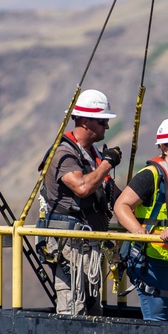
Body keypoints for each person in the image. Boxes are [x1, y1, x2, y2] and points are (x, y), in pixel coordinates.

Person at [38, 89, 122, 316]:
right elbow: (82, 187)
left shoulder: (91, 155)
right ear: (84, 121)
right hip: (69, 248)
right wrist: (107, 164)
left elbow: (116, 195)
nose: (106, 126)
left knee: (93, 310)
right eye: (102, 121)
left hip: (88, 246)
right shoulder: (63, 153)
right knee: (73, 309)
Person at [113, 117, 168, 322]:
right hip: (154, 262)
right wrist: (137, 230)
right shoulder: (150, 175)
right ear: (163, 147)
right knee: (158, 326)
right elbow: (121, 205)